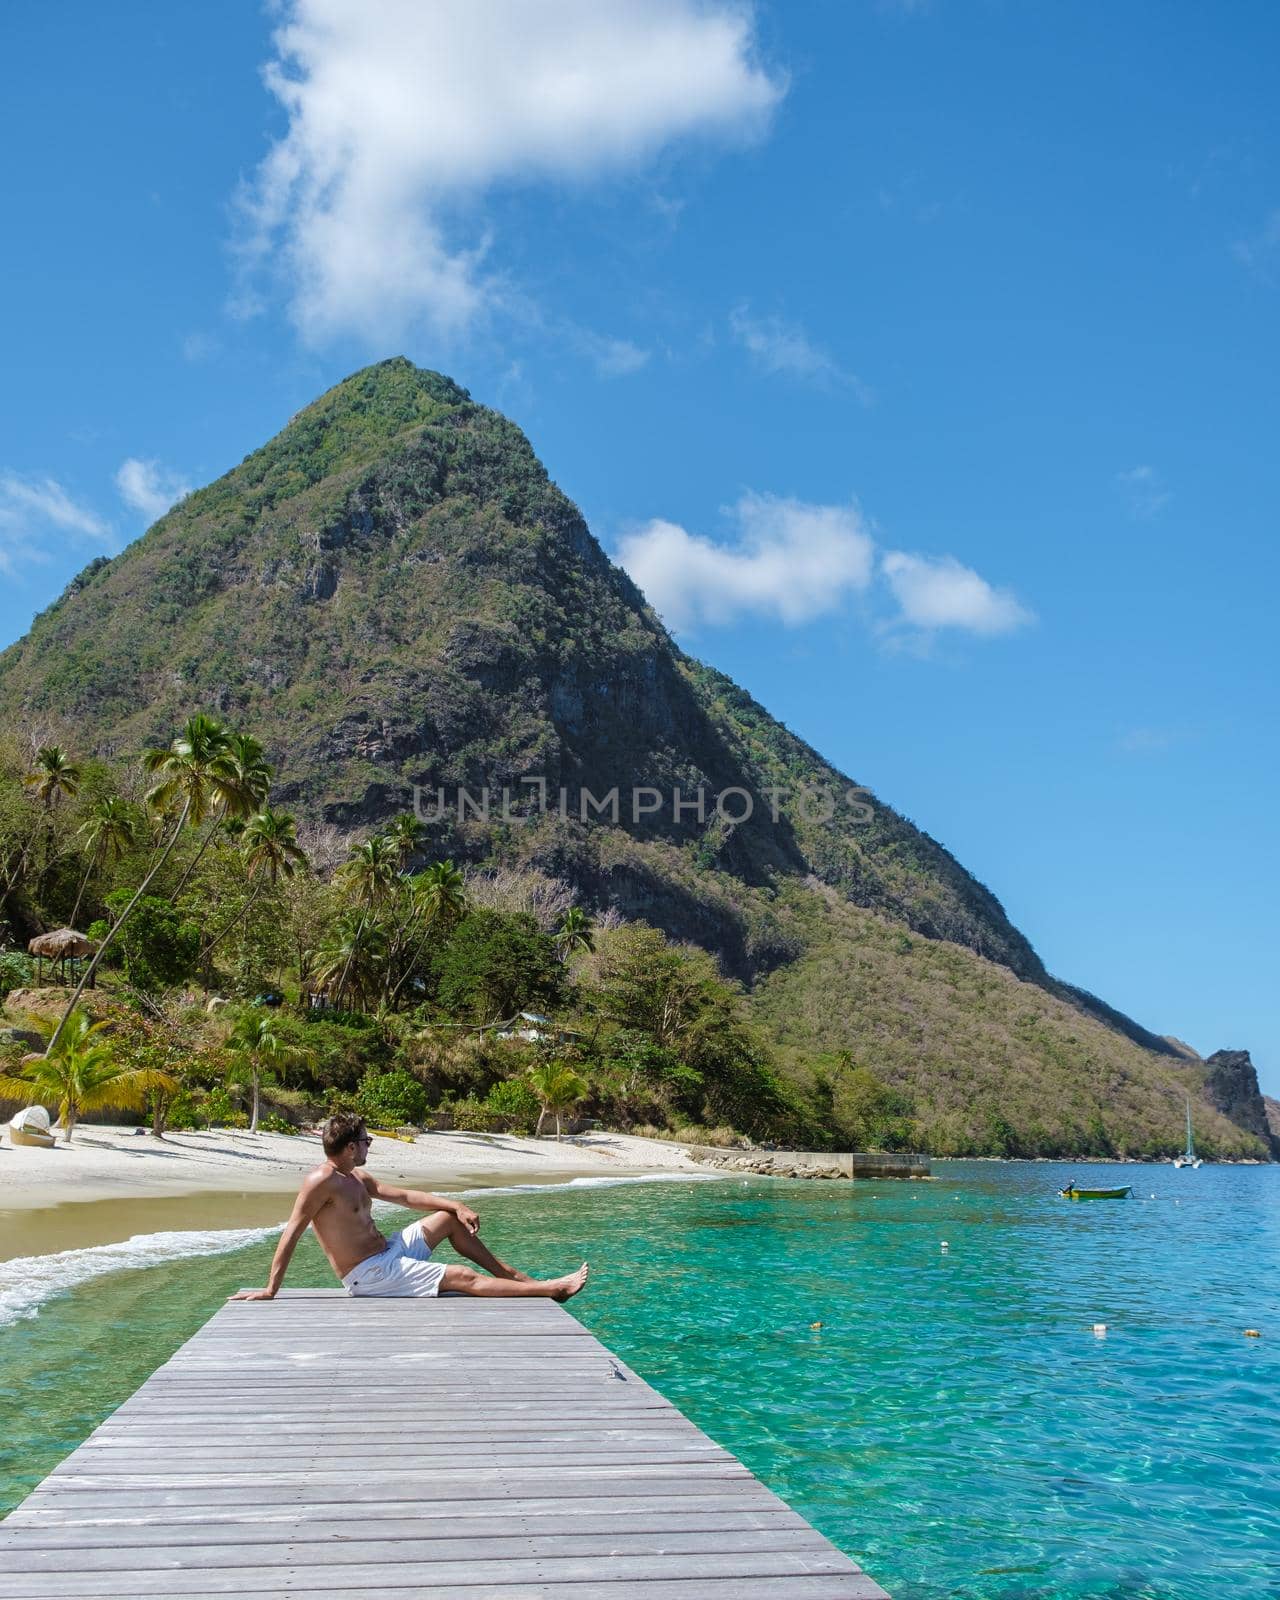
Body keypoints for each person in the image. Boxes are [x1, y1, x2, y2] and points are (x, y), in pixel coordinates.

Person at [232, 1111, 588, 1303]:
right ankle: (551, 1289)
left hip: (389, 1252)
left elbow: (403, 1197)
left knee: (448, 1219)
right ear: (351, 1147)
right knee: (461, 1278)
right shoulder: (320, 1182)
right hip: (369, 1275)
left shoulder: (357, 1177)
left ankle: (512, 1277)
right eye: (366, 1140)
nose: (370, 1145)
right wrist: (271, 1288)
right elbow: (292, 1231)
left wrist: (457, 1204)